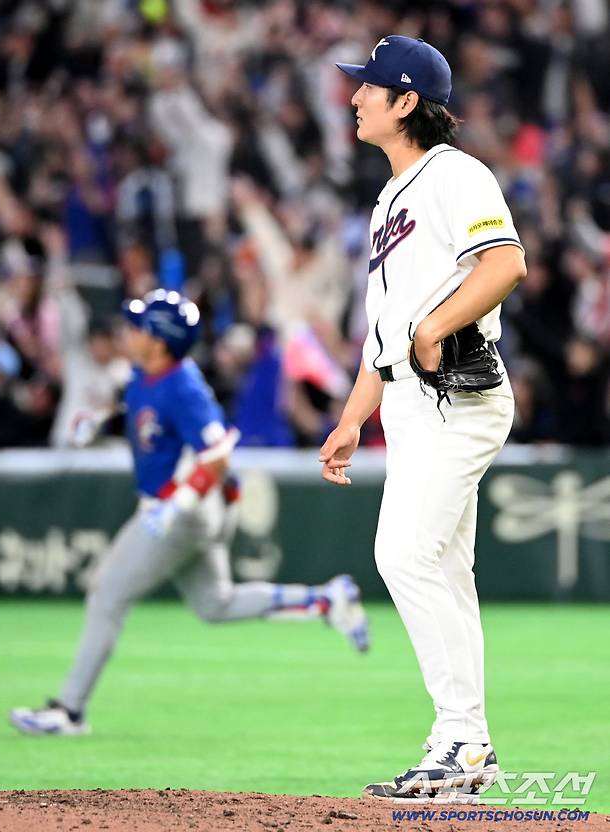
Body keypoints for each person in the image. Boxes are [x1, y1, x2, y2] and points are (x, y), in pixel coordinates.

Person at [9, 290, 369, 736]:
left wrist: (176, 505)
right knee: (214, 604)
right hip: (196, 508)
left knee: (106, 594)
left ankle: (69, 710)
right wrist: (106, 419)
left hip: (183, 510)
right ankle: (324, 600)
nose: (129, 332)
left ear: (160, 341)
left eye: (139, 327)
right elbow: (150, 419)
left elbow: (217, 454)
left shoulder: (183, 385)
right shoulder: (147, 374)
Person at [319, 37, 526, 801]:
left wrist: (436, 327)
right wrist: (352, 420)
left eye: (369, 88)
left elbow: (506, 263)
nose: (355, 97)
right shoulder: (389, 198)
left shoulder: (454, 173)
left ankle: (462, 741)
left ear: (406, 102)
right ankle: (471, 753)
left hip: (458, 394)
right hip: (407, 399)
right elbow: (386, 336)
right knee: (442, 571)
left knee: (402, 554)